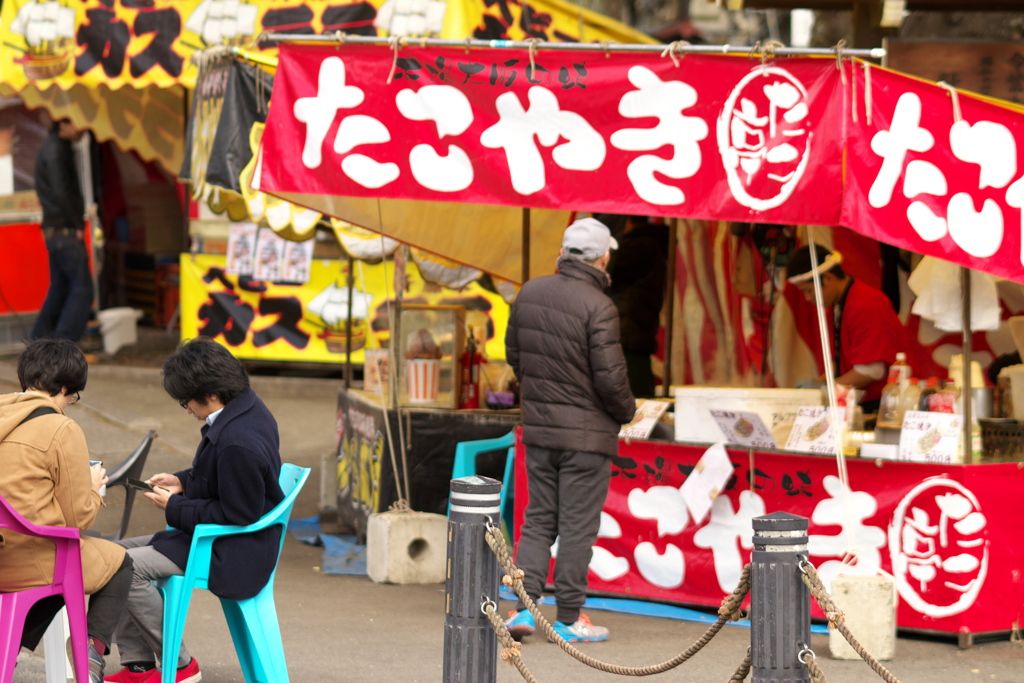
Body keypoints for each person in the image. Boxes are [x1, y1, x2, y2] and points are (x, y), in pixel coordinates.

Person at [106, 338, 284, 683]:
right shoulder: (245, 407)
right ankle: (140, 667)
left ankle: (181, 665)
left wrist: (175, 506)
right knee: (111, 556)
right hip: (217, 537)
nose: (186, 409)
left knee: (123, 566)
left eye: (185, 400)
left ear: (211, 394)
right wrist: (182, 481)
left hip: (232, 549)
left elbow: (238, 514)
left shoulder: (237, 440)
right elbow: (225, 480)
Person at [503, 217, 636, 643]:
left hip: (540, 430)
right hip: (587, 438)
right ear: (603, 257)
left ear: (562, 253)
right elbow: (611, 380)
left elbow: (515, 356)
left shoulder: (530, 292)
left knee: (537, 519)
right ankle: (569, 618)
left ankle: (524, 609)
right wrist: (628, 411)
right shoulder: (599, 306)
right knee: (577, 525)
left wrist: (541, 396)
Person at [0, 339, 132, 683]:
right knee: (119, 560)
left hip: (3, 551)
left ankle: (7, 649)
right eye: (72, 397)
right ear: (64, 388)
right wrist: (92, 484)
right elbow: (77, 520)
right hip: (28, 560)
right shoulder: (61, 428)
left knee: (81, 552)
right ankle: (90, 654)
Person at [786, 245, 907, 413]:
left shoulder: (865, 304)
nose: (807, 298)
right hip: (858, 401)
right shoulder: (838, 305)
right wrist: (817, 385)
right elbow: (840, 359)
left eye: (808, 290)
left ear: (827, 279)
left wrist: (824, 388)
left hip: (884, 405)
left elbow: (871, 371)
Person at [32, 117, 93, 342]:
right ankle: (63, 345)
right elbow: (62, 190)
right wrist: (77, 223)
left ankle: (38, 343)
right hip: (64, 229)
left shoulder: (52, 147)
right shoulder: (57, 150)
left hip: (53, 229)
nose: (83, 128)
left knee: (60, 289)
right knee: (82, 289)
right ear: (63, 124)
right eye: (77, 122)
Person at [607, 215, 668, 398]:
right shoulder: (647, 244)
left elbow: (607, 273)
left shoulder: (640, 246)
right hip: (632, 334)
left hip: (628, 336)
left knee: (632, 403)